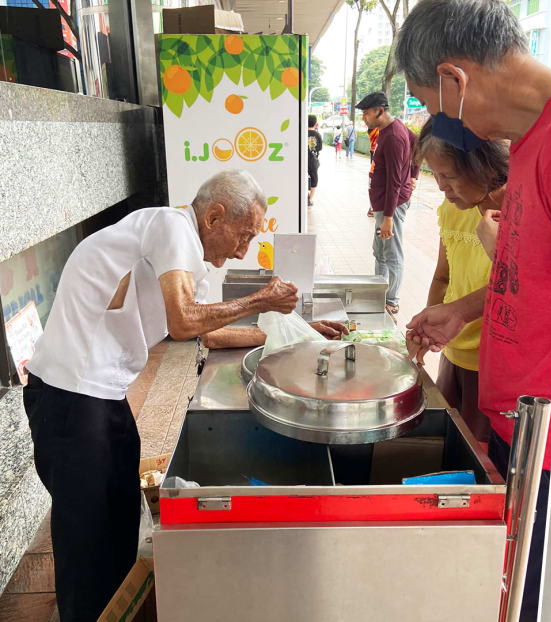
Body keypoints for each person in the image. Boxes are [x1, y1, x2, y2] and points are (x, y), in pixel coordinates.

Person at [23, 171, 345, 621]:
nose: (243, 250)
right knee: (87, 542)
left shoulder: (187, 255)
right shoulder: (171, 227)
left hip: (101, 396)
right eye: (244, 235)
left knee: (118, 521)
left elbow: (209, 333)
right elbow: (183, 321)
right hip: (68, 397)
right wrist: (261, 299)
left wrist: (299, 334)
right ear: (214, 216)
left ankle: (117, 610)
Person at [396, 1, 551, 619]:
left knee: (525, 598)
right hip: (515, 427)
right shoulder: (531, 142)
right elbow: (532, 273)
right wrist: (465, 311)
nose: (437, 117)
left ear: (454, 80)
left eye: (429, 102)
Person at [411, 118, 508, 442]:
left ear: (483, 166)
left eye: (449, 176)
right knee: (448, 438)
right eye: (434, 174)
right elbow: (442, 275)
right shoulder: (453, 208)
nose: (440, 186)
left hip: (494, 362)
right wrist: (424, 329)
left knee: (481, 449)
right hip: (454, 351)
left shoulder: (515, 215)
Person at [356, 91, 417, 316]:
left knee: (392, 253)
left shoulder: (393, 137)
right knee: (380, 250)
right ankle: (378, 293)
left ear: (379, 111)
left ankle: (391, 299)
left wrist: (389, 217)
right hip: (383, 205)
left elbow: (394, 182)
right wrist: (415, 174)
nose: (364, 118)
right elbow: (418, 143)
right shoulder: (389, 129)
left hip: (391, 206)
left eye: (366, 113)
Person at [308, 114, 323, 206]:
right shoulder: (317, 135)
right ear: (315, 124)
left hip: (303, 161)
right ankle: (309, 200)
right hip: (313, 161)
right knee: (314, 180)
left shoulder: (302, 133)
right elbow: (320, 148)